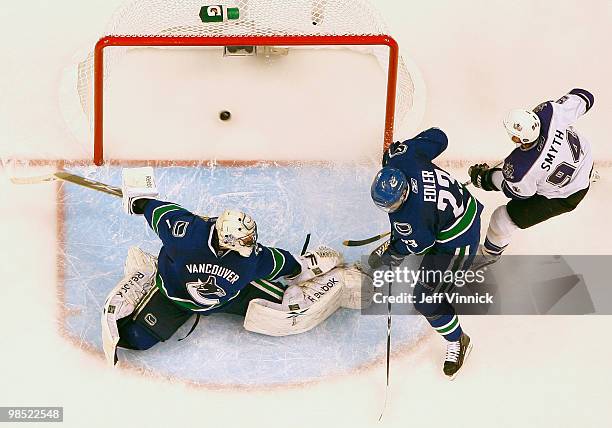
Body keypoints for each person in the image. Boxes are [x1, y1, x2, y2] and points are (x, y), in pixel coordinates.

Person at [101, 167, 350, 366]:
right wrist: (142, 202)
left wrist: (300, 267)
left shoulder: (248, 257)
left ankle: (332, 282)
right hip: (173, 297)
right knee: (135, 339)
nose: (251, 244)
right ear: (228, 240)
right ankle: (151, 271)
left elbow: (280, 262)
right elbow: (160, 214)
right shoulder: (187, 236)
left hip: (231, 298)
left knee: (289, 306)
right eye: (245, 240)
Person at [370, 127, 484, 379]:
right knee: (416, 234)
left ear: (403, 194)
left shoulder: (412, 218)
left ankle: (458, 340)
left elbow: (418, 245)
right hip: (451, 209)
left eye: (392, 206)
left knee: (426, 299)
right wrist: (408, 152)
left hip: (458, 241)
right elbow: (440, 137)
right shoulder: (402, 158)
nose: (390, 210)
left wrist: (392, 256)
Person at [469, 89, 594, 264]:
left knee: (502, 218)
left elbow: (518, 193)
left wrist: (484, 178)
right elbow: (586, 97)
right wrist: (560, 113)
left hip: (568, 195)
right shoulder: (550, 112)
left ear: (517, 139)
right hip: (586, 162)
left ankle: (487, 256)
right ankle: (588, 175)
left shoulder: (520, 166)